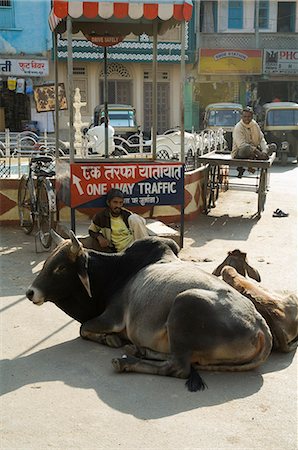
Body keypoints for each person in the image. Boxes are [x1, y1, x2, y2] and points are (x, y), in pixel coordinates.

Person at [88, 188, 149, 252]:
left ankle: (146, 248)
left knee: (135, 218)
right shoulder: (101, 217)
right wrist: (99, 237)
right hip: (120, 251)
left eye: (120, 203)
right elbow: (91, 230)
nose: (118, 205)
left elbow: (141, 224)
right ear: (108, 203)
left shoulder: (126, 214)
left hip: (133, 245)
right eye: (115, 202)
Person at [232, 107, 276, 177]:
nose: (247, 119)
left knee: (273, 146)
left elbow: (261, 139)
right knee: (246, 147)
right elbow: (241, 145)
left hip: (256, 151)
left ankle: (262, 156)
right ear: (241, 117)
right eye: (245, 116)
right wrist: (257, 152)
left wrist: (264, 151)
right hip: (241, 153)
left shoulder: (255, 125)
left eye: (249, 117)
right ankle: (259, 156)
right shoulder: (238, 127)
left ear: (252, 117)